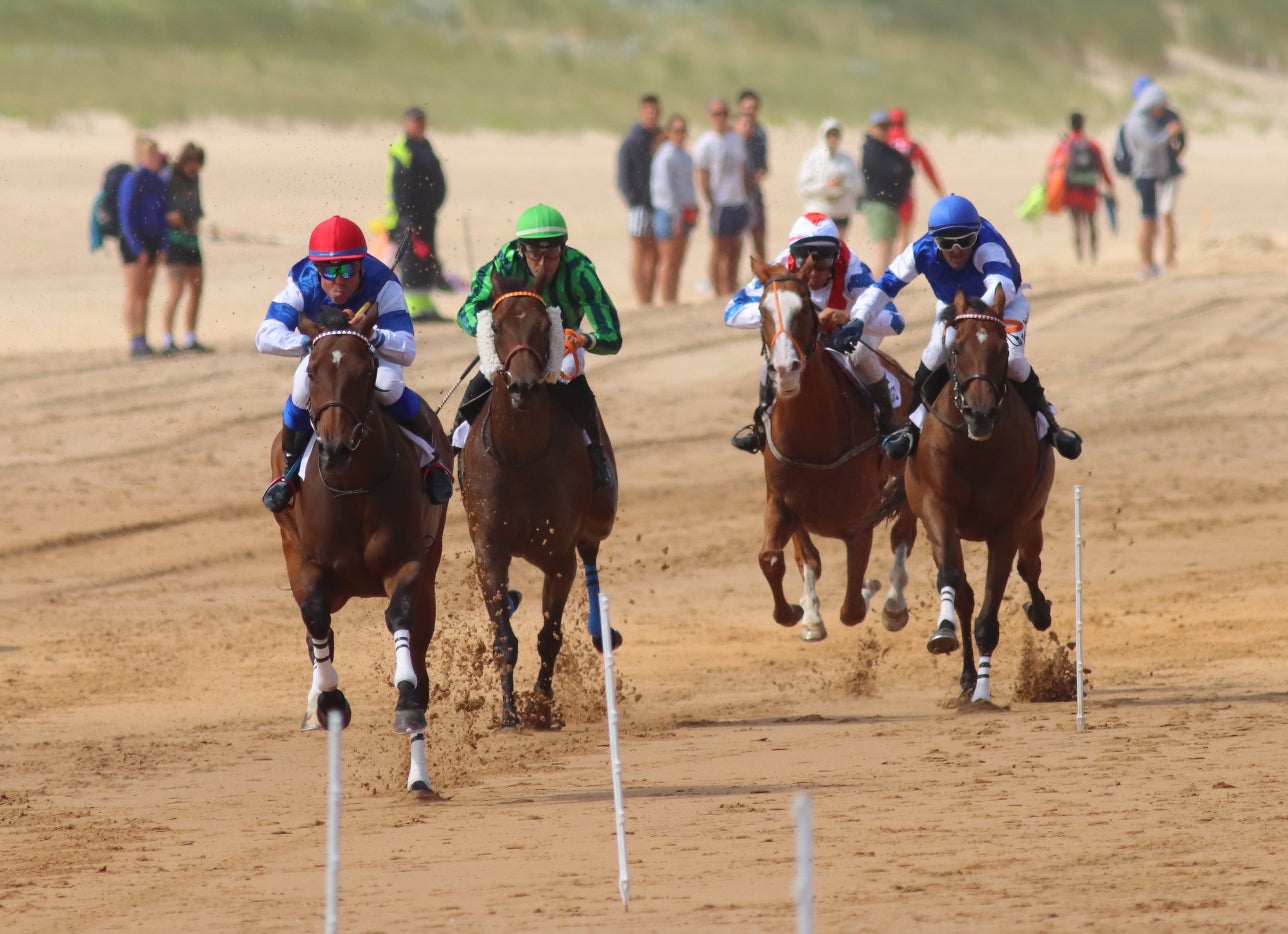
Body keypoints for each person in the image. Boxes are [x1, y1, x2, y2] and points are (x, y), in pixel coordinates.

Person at [851, 194, 1082, 462]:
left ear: (977, 234)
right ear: (933, 240)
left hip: (1002, 307)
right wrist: (859, 319)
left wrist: (969, 316)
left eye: (965, 240)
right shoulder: (919, 251)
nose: (957, 249)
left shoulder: (989, 244)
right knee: (935, 354)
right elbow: (883, 288)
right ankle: (910, 429)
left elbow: (1001, 286)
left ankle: (1051, 427)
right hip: (953, 306)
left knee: (1015, 362)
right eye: (946, 243)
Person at [256, 215, 453, 513]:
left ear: (361, 265)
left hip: (370, 353)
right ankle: (288, 471)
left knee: (388, 385)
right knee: (300, 390)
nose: (339, 279)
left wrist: (374, 335)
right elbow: (265, 336)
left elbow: (407, 350)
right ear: (316, 268)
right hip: (323, 354)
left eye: (348, 269)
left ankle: (430, 459)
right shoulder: (300, 283)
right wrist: (313, 343)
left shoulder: (384, 285)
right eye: (330, 270)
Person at [452, 204, 622, 489]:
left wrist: (586, 340)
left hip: (560, 339)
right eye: (535, 254)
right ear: (521, 249)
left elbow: (612, 335)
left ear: (563, 249)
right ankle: (452, 446)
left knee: (571, 376)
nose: (544, 263)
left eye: (553, 254)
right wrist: (489, 329)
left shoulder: (580, 270)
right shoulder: (503, 262)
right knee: (485, 375)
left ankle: (595, 455)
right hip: (512, 338)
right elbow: (467, 310)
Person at [724, 212, 905, 454]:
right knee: (776, 357)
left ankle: (887, 422)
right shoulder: (779, 269)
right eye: (807, 263)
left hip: (851, 332)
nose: (814, 273)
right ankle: (760, 425)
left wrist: (852, 317)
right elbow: (731, 313)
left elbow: (895, 321)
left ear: (836, 255)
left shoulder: (853, 269)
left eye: (824, 263)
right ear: (793, 257)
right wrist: (784, 313)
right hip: (806, 332)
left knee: (860, 355)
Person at [383, 105, 448, 321]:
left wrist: (433, 206)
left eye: (422, 120)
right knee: (410, 261)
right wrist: (406, 218)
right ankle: (410, 304)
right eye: (414, 121)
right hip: (407, 219)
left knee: (426, 260)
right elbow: (399, 188)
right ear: (406, 123)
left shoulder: (426, 146)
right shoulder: (402, 150)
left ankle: (425, 303)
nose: (419, 125)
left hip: (427, 215)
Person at [117, 135, 169, 359]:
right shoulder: (132, 179)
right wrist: (137, 247)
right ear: (140, 156)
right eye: (150, 153)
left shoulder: (157, 181)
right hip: (134, 242)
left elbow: (162, 214)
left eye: (156, 153)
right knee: (134, 291)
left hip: (154, 241)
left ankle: (143, 338)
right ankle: (134, 339)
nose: (154, 157)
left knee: (145, 292)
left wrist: (163, 245)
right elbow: (126, 216)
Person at [1127, 78, 1186, 274]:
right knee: (1146, 219)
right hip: (1145, 175)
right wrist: (1168, 134)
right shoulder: (1137, 121)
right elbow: (1150, 145)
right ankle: (1145, 263)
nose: (1161, 111)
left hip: (1154, 175)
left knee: (1151, 219)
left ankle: (1152, 262)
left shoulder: (1147, 119)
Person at [692, 98, 750, 295]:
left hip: (738, 200)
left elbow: (742, 169)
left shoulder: (736, 139)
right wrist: (710, 201)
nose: (721, 118)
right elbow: (702, 175)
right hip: (719, 202)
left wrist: (745, 195)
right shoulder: (705, 143)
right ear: (710, 116)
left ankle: (731, 286)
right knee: (720, 249)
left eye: (724, 113)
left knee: (736, 247)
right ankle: (719, 289)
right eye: (717, 113)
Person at [159, 142, 210, 353]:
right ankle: (167, 339)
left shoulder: (194, 178)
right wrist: (169, 216)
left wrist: (194, 221)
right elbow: (158, 206)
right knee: (176, 290)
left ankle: (190, 337)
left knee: (197, 288)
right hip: (173, 240)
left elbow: (196, 206)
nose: (194, 170)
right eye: (192, 166)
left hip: (191, 238)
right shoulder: (168, 176)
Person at [1045, 113, 1115, 262]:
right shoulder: (1092, 144)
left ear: (1070, 125)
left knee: (1076, 225)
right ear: (1083, 124)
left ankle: (1079, 258)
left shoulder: (1064, 145)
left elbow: (1052, 167)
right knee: (1092, 224)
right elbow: (1102, 167)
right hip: (1090, 190)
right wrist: (1109, 185)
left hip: (1072, 191)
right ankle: (1093, 256)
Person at [616, 93, 662, 307]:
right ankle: (642, 299)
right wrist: (633, 198)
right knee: (639, 251)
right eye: (649, 111)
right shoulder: (632, 140)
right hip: (639, 205)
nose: (652, 115)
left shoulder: (660, 137)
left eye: (655, 111)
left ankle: (649, 297)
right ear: (641, 112)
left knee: (654, 253)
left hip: (658, 203)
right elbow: (623, 176)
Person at [650, 114, 698, 305]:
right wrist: (675, 216)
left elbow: (688, 186)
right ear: (669, 133)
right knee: (668, 259)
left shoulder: (685, 155)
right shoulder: (665, 155)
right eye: (677, 130)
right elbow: (665, 189)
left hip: (685, 210)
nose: (681, 134)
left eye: (683, 130)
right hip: (668, 213)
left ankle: (673, 297)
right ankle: (666, 299)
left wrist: (694, 207)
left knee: (678, 259)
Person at [859, 111, 915, 277]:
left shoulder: (887, 150)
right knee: (883, 251)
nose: (884, 130)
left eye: (886, 127)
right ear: (871, 128)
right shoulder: (870, 150)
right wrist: (897, 172)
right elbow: (885, 172)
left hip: (892, 204)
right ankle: (878, 285)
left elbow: (907, 169)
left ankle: (883, 283)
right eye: (880, 127)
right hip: (879, 204)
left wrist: (898, 172)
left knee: (889, 249)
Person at [886, 107, 945, 250]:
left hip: (886, 194)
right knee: (903, 235)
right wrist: (939, 191)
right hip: (907, 194)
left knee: (887, 238)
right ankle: (899, 266)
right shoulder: (912, 145)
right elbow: (928, 169)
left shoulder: (883, 144)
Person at [795, 117, 863, 237]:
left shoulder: (847, 159)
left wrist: (843, 183)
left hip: (841, 213)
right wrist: (825, 185)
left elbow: (859, 186)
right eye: (829, 134)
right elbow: (802, 188)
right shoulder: (812, 158)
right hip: (818, 214)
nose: (833, 138)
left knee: (838, 251)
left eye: (836, 135)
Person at [737, 89, 770, 261]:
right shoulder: (732, 134)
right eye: (747, 107)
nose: (750, 111)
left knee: (759, 235)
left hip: (754, 191)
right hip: (734, 193)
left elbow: (763, 165)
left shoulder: (760, 133)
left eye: (754, 107)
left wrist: (757, 175)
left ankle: (761, 275)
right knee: (732, 241)